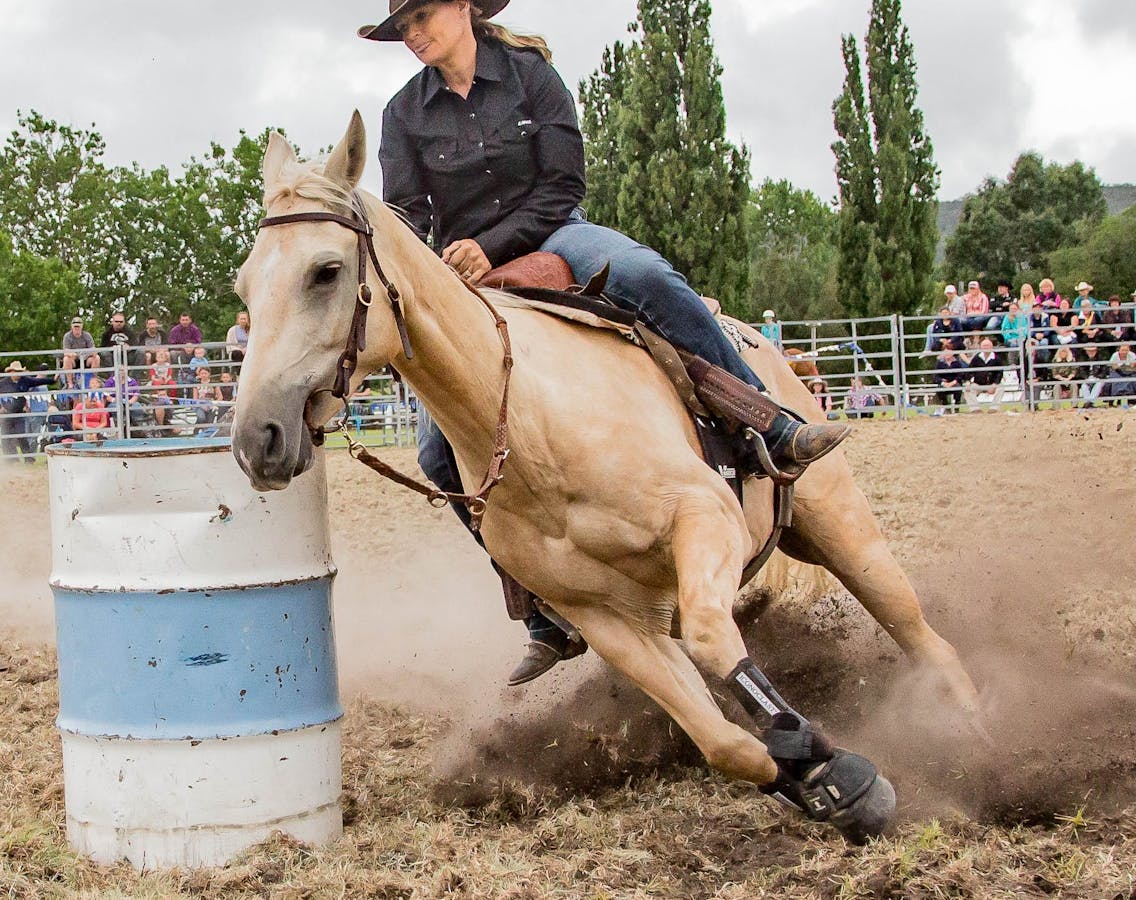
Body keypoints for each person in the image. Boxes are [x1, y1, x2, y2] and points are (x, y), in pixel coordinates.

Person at [366, 0, 849, 685]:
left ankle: (766, 421)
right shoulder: (402, 114)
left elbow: (563, 186)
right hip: (464, 279)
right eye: (403, 26)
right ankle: (540, 606)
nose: (413, 34)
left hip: (554, 233)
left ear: (466, 8)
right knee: (435, 452)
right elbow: (408, 216)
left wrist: (491, 245)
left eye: (422, 16)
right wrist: (440, 261)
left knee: (647, 275)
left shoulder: (531, 75)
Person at [0, 361, 55, 463]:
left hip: (19, 413)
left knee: (21, 436)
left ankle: (28, 458)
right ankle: (11, 460)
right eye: (16, 371)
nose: (18, 373)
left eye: (19, 371)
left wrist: (52, 380)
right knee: (6, 437)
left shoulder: (25, 380)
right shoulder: (2, 383)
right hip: (5, 415)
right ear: (11, 372)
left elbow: (38, 381)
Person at [965, 339, 1005, 410]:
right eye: (984, 346)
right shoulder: (977, 358)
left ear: (992, 347)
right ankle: (975, 409)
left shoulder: (997, 358)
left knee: (1001, 387)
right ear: (980, 347)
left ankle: (994, 408)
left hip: (992, 384)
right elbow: (970, 370)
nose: (986, 347)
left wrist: (994, 384)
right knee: (967, 389)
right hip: (978, 384)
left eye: (988, 346)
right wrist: (968, 381)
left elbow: (1000, 373)